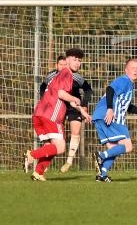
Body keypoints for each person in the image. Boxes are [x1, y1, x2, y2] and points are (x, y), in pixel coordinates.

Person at [91, 58, 137, 182]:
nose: (135, 70)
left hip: (98, 115)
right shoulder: (124, 81)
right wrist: (109, 109)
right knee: (128, 146)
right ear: (126, 70)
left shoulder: (129, 85)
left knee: (113, 148)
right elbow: (109, 89)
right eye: (132, 68)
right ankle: (100, 156)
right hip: (111, 116)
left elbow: (128, 106)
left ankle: (102, 175)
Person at [24, 48, 91, 181]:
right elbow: (62, 94)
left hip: (40, 114)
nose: (77, 63)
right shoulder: (67, 74)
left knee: (51, 146)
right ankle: (32, 154)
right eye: (74, 59)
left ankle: (39, 172)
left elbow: (66, 98)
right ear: (67, 60)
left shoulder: (60, 74)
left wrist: (82, 110)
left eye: (79, 60)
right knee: (60, 148)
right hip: (52, 116)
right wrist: (76, 99)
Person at [40, 55, 93, 173]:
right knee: (52, 137)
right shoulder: (51, 76)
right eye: (61, 65)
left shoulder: (75, 76)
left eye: (65, 64)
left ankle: (69, 162)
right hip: (57, 107)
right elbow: (43, 87)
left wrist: (84, 104)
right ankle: (44, 164)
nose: (63, 67)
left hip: (73, 106)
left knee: (75, 131)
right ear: (56, 65)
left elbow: (88, 90)